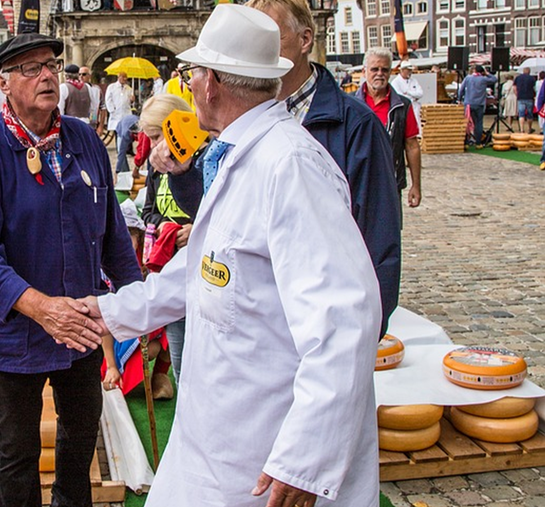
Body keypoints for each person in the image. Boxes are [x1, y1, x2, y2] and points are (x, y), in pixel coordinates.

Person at [82, 6, 381, 506]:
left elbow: (344, 319)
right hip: (221, 430)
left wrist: (305, 457)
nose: (190, 85)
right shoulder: (241, 154)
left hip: (264, 447)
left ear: (212, 84)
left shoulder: (290, 166)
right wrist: (110, 312)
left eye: (193, 74)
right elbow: (203, 268)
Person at [0, 33, 141, 507]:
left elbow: (112, 232)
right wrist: (41, 308)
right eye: (30, 68)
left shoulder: (84, 139)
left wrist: (137, 300)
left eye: (51, 65)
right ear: (3, 83)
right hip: (16, 332)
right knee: (18, 449)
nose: (46, 76)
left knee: (80, 435)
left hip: (80, 324)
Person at [167, 0, 401, 338]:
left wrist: (362, 336)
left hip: (318, 322)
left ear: (305, 40)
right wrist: (182, 173)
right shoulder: (238, 114)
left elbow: (379, 238)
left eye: (270, 34)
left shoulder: (355, 124)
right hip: (256, 327)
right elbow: (217, 213)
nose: (256, 45)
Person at [138, 94, 201, 380]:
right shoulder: (156, 168)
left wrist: (196, 229)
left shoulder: (202, 160)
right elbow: (148, 211)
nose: (152, 146)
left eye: (156, 137)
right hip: (170, 269)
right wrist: (163, 226)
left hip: (201, 271)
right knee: (180, 364)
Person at [101, 199, 173, 399]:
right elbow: (104, 316)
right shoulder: (103, 267)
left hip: (144, 330)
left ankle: (159, 376)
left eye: (129, 235)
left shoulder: (148, 262)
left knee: (170, 326)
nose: (123, 243)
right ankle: (113, 367)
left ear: (139, 237)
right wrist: (111, 365)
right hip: (115, 334)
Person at [356, 48, 422, 209]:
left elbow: (412, 146)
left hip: (390, 184)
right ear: (364, 71)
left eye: (384, 70)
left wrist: (416, 185)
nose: (379, 74)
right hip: (357, 184)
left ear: (390, 72)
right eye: (374, 69)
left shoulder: (402, 106)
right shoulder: (350, 105)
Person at [458, 65, 498, 147]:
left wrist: (459, 99)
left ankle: (466, 142)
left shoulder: (468, 78)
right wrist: (487, 73)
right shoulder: (483, 79)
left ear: (474, 70)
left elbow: (461, 89)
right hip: (479, 104)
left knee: (467, 122)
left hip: (468, 104)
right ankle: (478, 143)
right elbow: (495, 79)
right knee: (479, 123)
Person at [391, 63, 423, 132]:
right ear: (402, 70)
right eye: (408, 70)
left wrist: (408, 92)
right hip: (403, 109)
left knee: (417, 126)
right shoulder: (395, 82)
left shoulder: (414, 80)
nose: (410, 72)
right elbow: (399, 96)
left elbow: (420, 93)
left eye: (410, 70)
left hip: (414, 107)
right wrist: (413, 96)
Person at [79, 66, 105, 133]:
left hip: (92, 121)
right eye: (79, 74)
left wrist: (101, 126)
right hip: (78, 122)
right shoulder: (73, 88)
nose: (81, 76)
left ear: (89, 76)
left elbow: (103, 107)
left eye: (84, 74)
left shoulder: (96, 89)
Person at [514, 66, 537, 134]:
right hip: (529, 97)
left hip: (521, 97)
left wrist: (517, 94)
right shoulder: (532, 78)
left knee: (521, 114)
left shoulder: (518, 78)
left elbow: (514, 87)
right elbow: (534, 88)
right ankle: (529, 128)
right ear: (529, 72)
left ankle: (522, 129)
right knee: (530, 114)